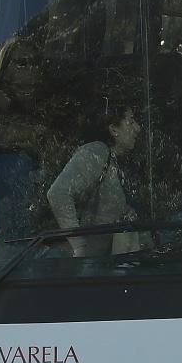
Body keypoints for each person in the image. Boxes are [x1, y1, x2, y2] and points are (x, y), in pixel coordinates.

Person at [46, 105, 148, 256]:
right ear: (114, 130)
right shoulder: (96, 152)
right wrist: (79, 248)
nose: (138, 128)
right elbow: (58, 193)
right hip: (86, 269)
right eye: (131, 122)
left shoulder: (118, 162)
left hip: (105, 268)